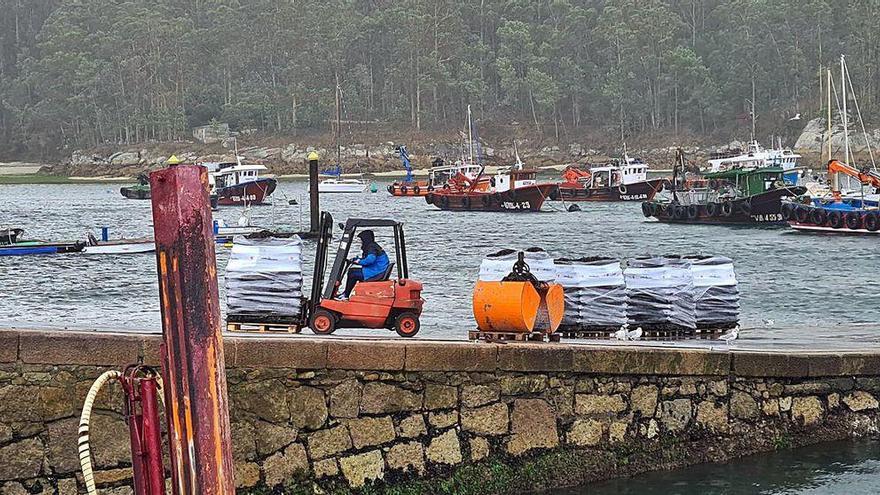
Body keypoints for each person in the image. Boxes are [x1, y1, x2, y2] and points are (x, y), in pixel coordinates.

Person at [341, 230, 390, 299]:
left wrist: (358, 261)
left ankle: (345, 295)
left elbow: (370, 260)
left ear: (365, 239)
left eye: (362, 240)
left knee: (352, 273)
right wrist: (356, 259)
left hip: (376, 273)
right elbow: (369, 259)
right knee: (353, 271)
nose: (361, 242)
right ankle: (346, 293)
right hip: (378, 270)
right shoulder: (373, 246)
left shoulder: (371, 247)